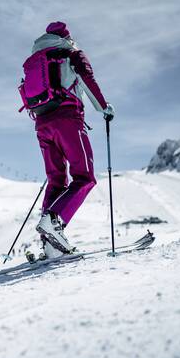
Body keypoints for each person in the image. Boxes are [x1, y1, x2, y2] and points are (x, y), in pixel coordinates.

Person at [27, 22, 114, 258]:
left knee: (56, 180)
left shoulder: (37, 59)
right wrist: (104, 108)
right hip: (68, 120)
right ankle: (54, 221)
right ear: (67, 37)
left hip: (42, 124)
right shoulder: (70, 53)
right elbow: (87, 79)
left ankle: (49, 244)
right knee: (84, 177)